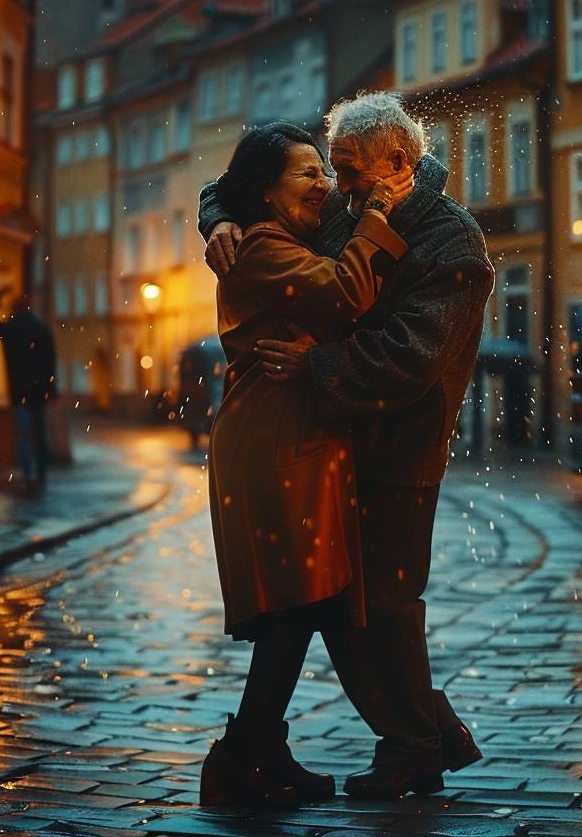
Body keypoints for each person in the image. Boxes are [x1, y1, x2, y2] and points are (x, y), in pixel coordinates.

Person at [198, 91, 493, 799]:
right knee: (336, 608)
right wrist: (220, 219)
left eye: (350, 171)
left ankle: (412, 746)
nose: (335, 186)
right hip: (326, 443)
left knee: (385, 603)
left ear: (398, 162)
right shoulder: (354, 205)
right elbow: (245, 181)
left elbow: (410, 359)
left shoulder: (454, 244)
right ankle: (424, 736)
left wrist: (316, 365)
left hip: (397, 448)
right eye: (331, 170)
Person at [199, 122, 414, 808]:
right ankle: (247, 755)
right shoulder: (261, 245)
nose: (325, 184)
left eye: (327, 171)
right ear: (266, 190)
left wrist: (214, 212)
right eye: (308, 174)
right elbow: (342, 293)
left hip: (299, 437)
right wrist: (377, 217)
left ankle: (256, 748)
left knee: (305, 600)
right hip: (273, 439)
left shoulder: (277, 234)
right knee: (298, 600)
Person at [0, 285, 57, 493]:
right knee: (39, 433)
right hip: (38, 391)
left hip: (19, 392)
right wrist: (51, 389)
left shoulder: (10, 329)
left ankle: (29, 475)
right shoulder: (41, 330)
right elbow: (50, 361)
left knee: (23, 436)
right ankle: (41, 475)